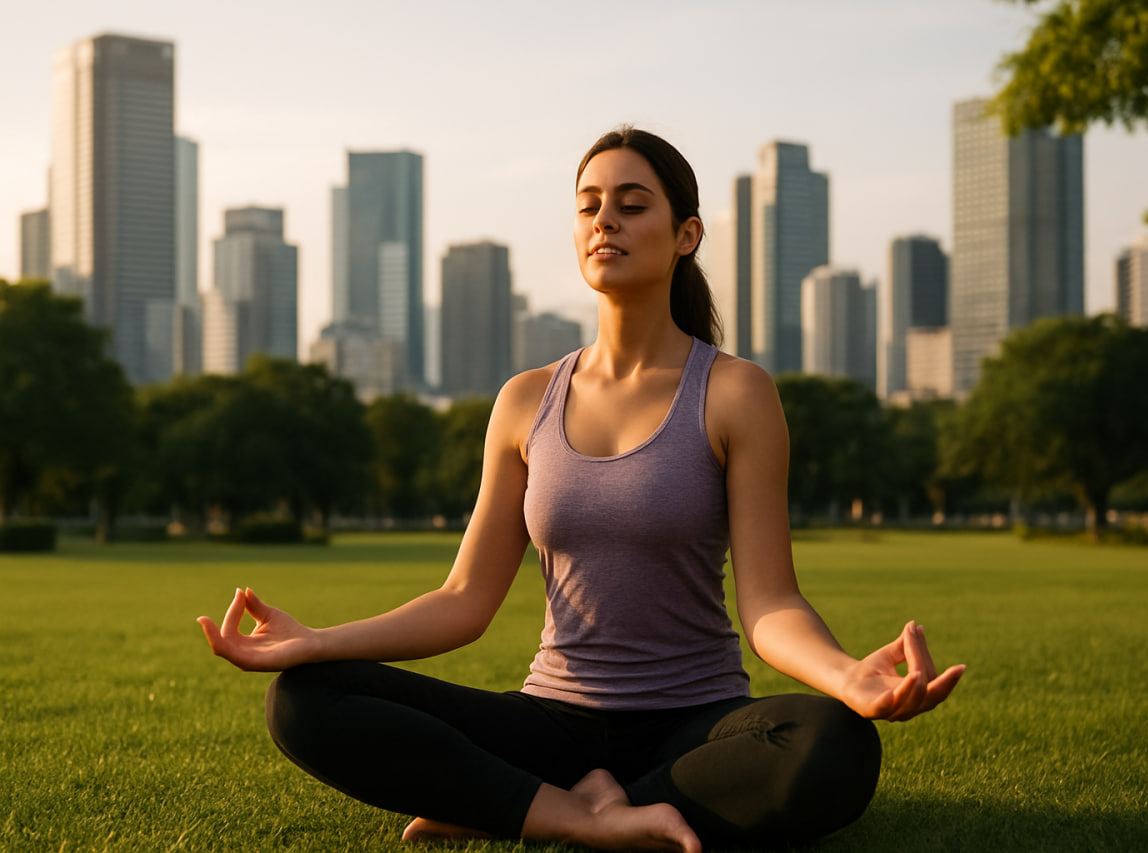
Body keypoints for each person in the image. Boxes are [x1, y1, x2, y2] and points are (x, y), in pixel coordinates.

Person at [198, 126, 965, 852]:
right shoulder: (525, 399)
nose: (606, 221)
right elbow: (464, 598)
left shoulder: (735, 393)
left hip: (693, 724)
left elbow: (770, 604)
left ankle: (531, 804)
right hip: (550, 722)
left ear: (687, 235)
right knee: (305, 699)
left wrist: (846, 675)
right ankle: (580, 812)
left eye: (632, 205)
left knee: (836, 744)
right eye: (589, 205)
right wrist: (316, 641)